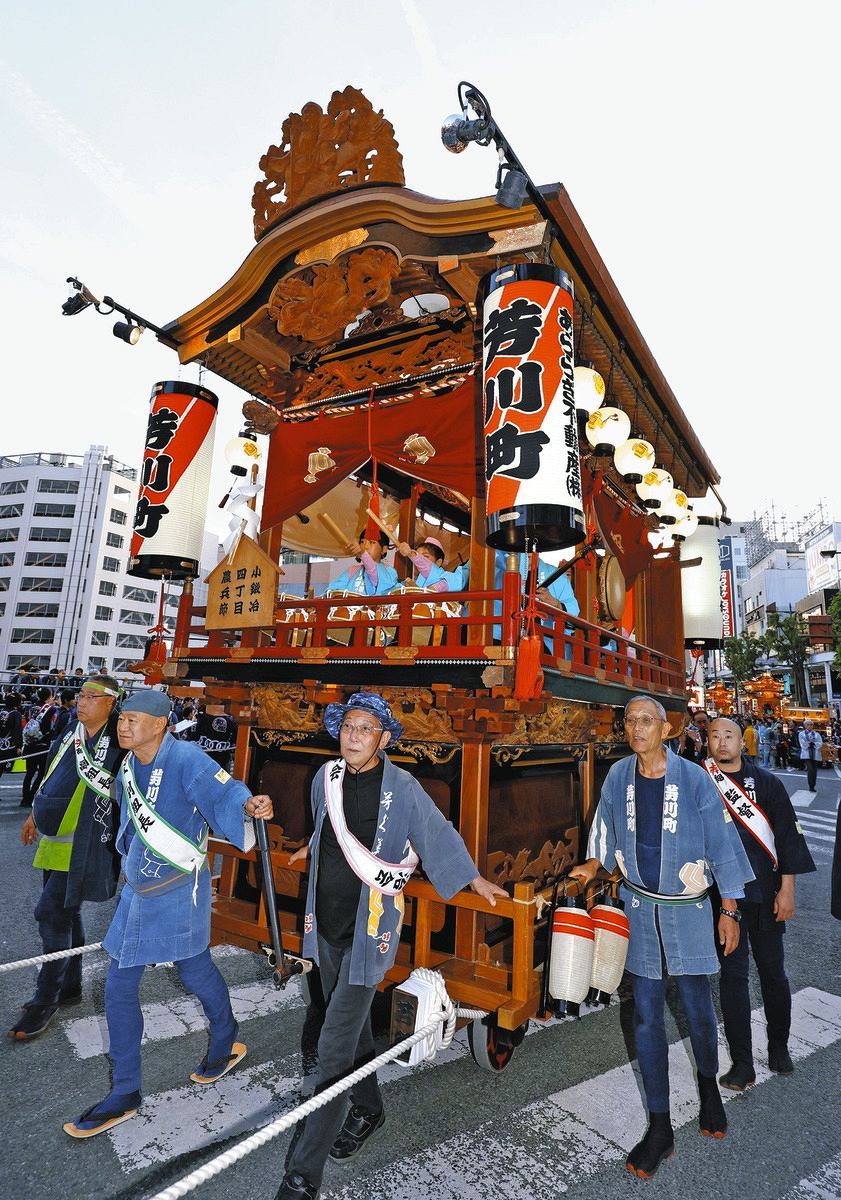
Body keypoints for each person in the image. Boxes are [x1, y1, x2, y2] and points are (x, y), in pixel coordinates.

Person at [275, 692, 506, 1200]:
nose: (353, 736)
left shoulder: (402, 787)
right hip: (325, 925)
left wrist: (471, 879)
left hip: (369, 930)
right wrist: (306, 849)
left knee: (333, 1049)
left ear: (383, 738)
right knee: (347, 1025)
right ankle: (371, 1108)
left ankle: (302, 1177)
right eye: (347, 726)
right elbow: (325, 830)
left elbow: (435, 834)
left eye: (365, 728)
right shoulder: (325, 779)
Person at [63, 689, 273, 1139]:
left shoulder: (187, 758)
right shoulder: (128, 764)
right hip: (140, 891)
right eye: (123, 719)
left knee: (195, 971)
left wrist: (249, 804)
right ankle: (126, 1091)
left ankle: (223, 1041)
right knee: (119, 985)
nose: (124, 726)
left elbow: (228, 790)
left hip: (180, 889)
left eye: (133, 719)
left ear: (160, 724)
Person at [569, 695, 752, 1180]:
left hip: (688, 910)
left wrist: (729, 908)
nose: (636, 728)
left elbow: (721, 839)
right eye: (629, 720)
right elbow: (604, 831)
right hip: (639, 907)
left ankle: (709, 1090)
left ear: (667, 729)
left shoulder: (693, 778)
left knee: (696, 1006)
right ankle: (659, 1126)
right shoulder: (618, 776)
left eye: (646, 720)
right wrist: (593, 863)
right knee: (646, 1014)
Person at [9, 676, 126, 1041]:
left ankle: (46, 999)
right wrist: (35, 814)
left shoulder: (120, 740)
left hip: (87, 843)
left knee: (51, 914)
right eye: (81, 695)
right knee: (67, 912)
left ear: (112, 702)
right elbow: (52, 772)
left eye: (93, 697)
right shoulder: (72, 731)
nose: (83, 701)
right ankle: (70, 986)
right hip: (57, 834)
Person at [704, 719, 815, 1089]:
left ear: (741, 741)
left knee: (773, 973)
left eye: (728, 735)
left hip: (766, 894)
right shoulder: (702, 783)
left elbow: (787, 838)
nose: (722, 742)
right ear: (707, 741)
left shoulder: (767, 782)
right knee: (733, 977)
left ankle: (779, 1047)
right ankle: (741, 1063)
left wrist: (788, 890)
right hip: (724, 900)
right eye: (714, 735)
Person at [326, 529, 397, 597]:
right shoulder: (353, 570)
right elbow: (332, 591)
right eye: (362, 542)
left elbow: (374, 575)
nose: (365, 546)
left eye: (372, 542)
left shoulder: (389, 572)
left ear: (384, 549)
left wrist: (363, 553)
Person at [21, 687, 59, 808]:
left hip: (30, 743)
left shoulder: (31, 707)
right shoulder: (51, 709)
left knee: (29, 772)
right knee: (42, 772)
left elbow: (27, 720)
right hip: (43, 743)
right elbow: (52, 726)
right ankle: (32, 796)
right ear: (49, 697)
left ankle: (24, 798)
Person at [393, 535, 462, 592]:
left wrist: (411, 554)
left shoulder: (448, 578)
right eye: (419, 556)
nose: (420, 560)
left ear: (438, 562)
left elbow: (428, 568)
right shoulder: (413, 581)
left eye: (425, 557)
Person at [192, 702, 238, 771]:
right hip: (222, 760)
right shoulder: (231, 722)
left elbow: (195, 736)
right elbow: (234, 740)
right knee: (222, 780)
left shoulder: (202, 718)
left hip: (204, 758)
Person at [0, 692, 24, 781]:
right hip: (7, 745)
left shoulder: (2, 711)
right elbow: (17, 730)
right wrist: (19, 746)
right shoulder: (16, 714)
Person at [799, 719, 823, 792]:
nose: (809, 726)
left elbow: (820, 742)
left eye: (811, 724)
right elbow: (802, 743)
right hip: (807, 754)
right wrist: (809, 744)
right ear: (805, 726)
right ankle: (810, 785)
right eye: (808, 724)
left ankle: (813, 785)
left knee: (814, 771)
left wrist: (814, 744)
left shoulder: (816, 734)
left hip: (815, 753)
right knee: (810, 770)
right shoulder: (801, 734)